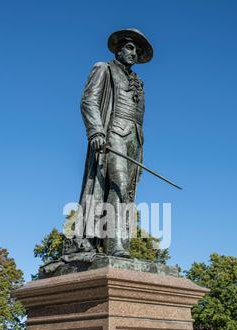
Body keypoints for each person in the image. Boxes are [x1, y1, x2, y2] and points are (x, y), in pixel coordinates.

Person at [66, 28, 153, 258]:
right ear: (119, 49)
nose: (134, 53)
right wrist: (95, 130)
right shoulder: (103, 69)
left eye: (138, 50)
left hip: (135, 139)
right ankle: (114, 244)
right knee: (118, 184)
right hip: (113, 133)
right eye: (130, 47)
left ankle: (120, 242)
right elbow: (88, 101)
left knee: (129, 192)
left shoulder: (138, 82)